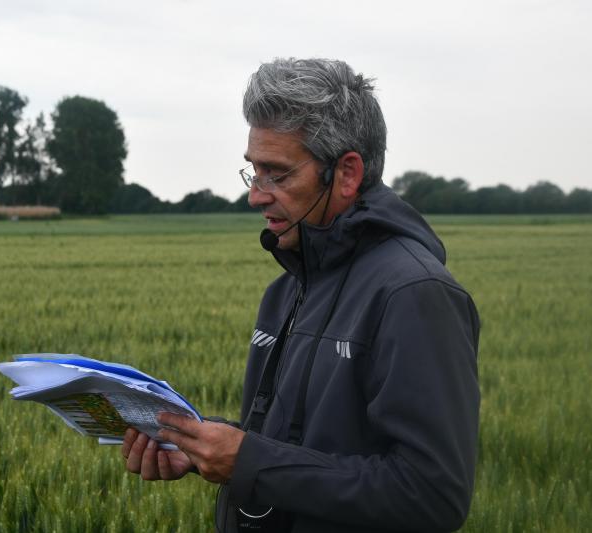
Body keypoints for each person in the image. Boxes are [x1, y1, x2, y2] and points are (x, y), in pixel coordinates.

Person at [122, 57, 480, 533]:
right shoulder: (288, 287)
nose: (256, 195)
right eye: (254, 172)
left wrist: (250, 461)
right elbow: (293, 443)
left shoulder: (415, 295)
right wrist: (200, 443)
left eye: (278, 173)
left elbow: (433, 497)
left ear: (346, 174)